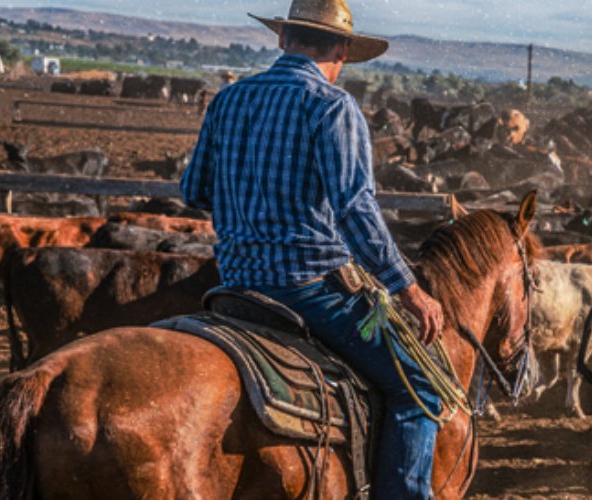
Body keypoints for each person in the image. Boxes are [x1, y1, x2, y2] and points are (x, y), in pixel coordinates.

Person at [180, 0, 446, 497]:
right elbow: (355, 208)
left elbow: (194, 190)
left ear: (283, 39)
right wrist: (409, 290)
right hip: (308, 289)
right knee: (420, 388)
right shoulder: (331, 106)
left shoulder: (227, 100)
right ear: (343, 49)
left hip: (234, 284)